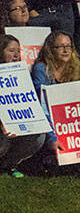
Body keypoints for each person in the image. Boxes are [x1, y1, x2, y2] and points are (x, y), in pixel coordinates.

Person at [31, 30, 80, 163]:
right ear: (50, 50)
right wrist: (52, 138)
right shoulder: (42, 69)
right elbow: (42, 107)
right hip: (51, 120)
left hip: (70, 120)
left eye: (68, 46)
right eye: (60, 47)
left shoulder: (78, 67)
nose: (65, 50)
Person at [0, 34, 44, 175]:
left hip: (15, 124)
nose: (16, 55)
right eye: (11, 51)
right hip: (2, 127)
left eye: (18, 51)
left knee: (39, 137)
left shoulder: (23, 75)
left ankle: (7, 164)